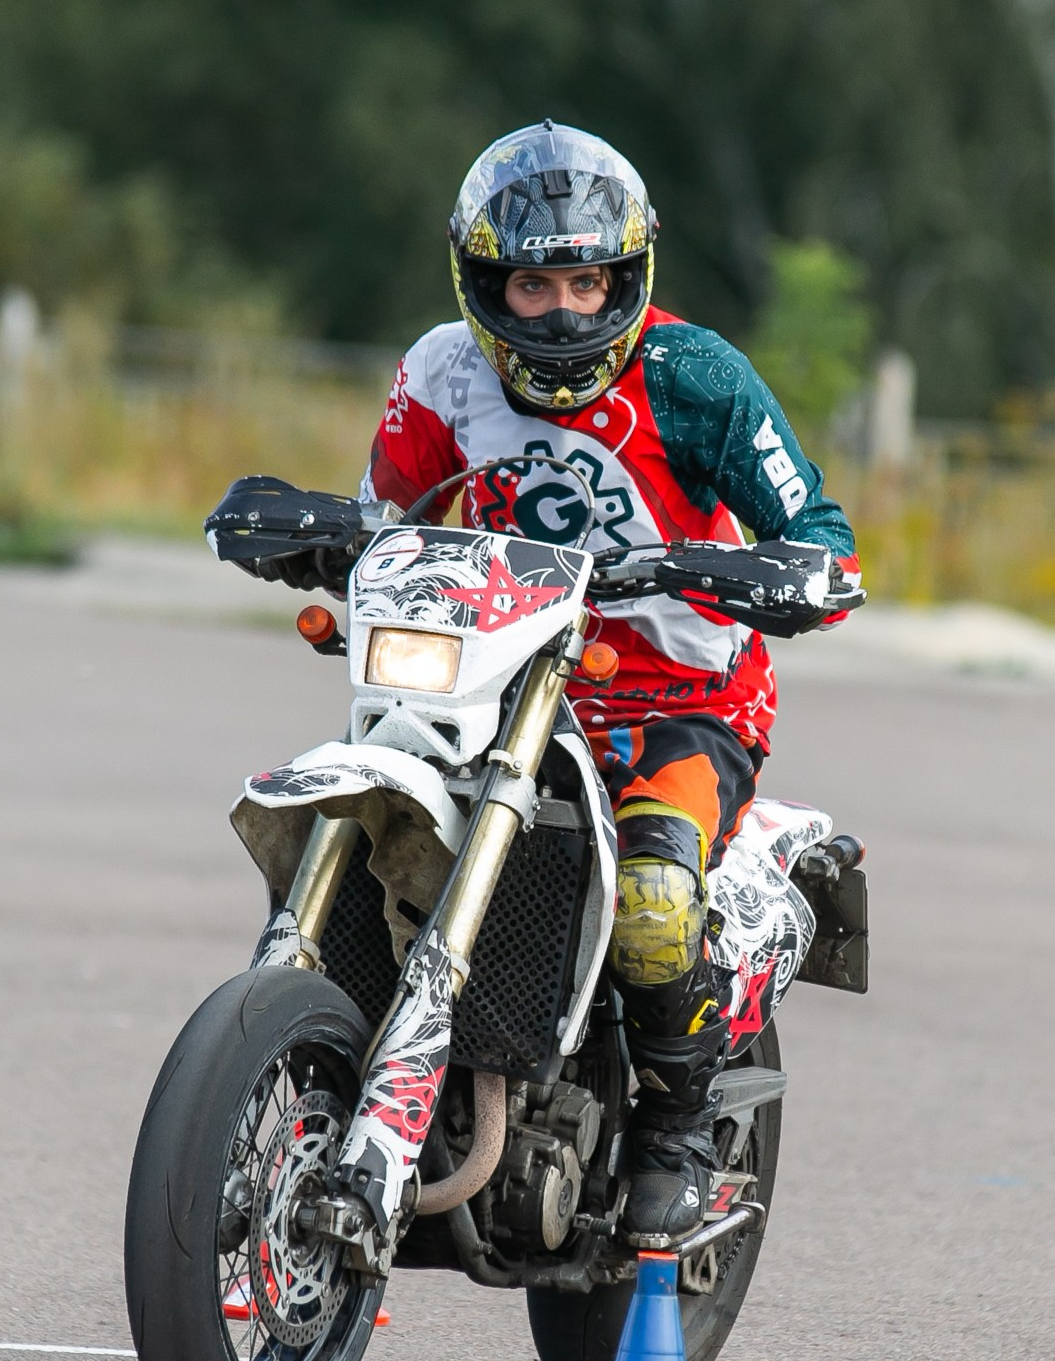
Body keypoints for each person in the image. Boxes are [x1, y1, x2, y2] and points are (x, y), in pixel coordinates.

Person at [361, 119, 862, 1240]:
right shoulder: (442, 371)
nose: (560, 312)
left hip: (683, 710)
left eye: (585, 281)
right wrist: (312, 535)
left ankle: (675, 1137)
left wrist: (776, 573)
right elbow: (382, 519)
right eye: (531, 283)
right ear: (483, 282)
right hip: (494, 689)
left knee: (650, 906)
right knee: (366, 826)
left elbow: (824, 538)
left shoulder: (694, 378)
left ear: (624, 276)